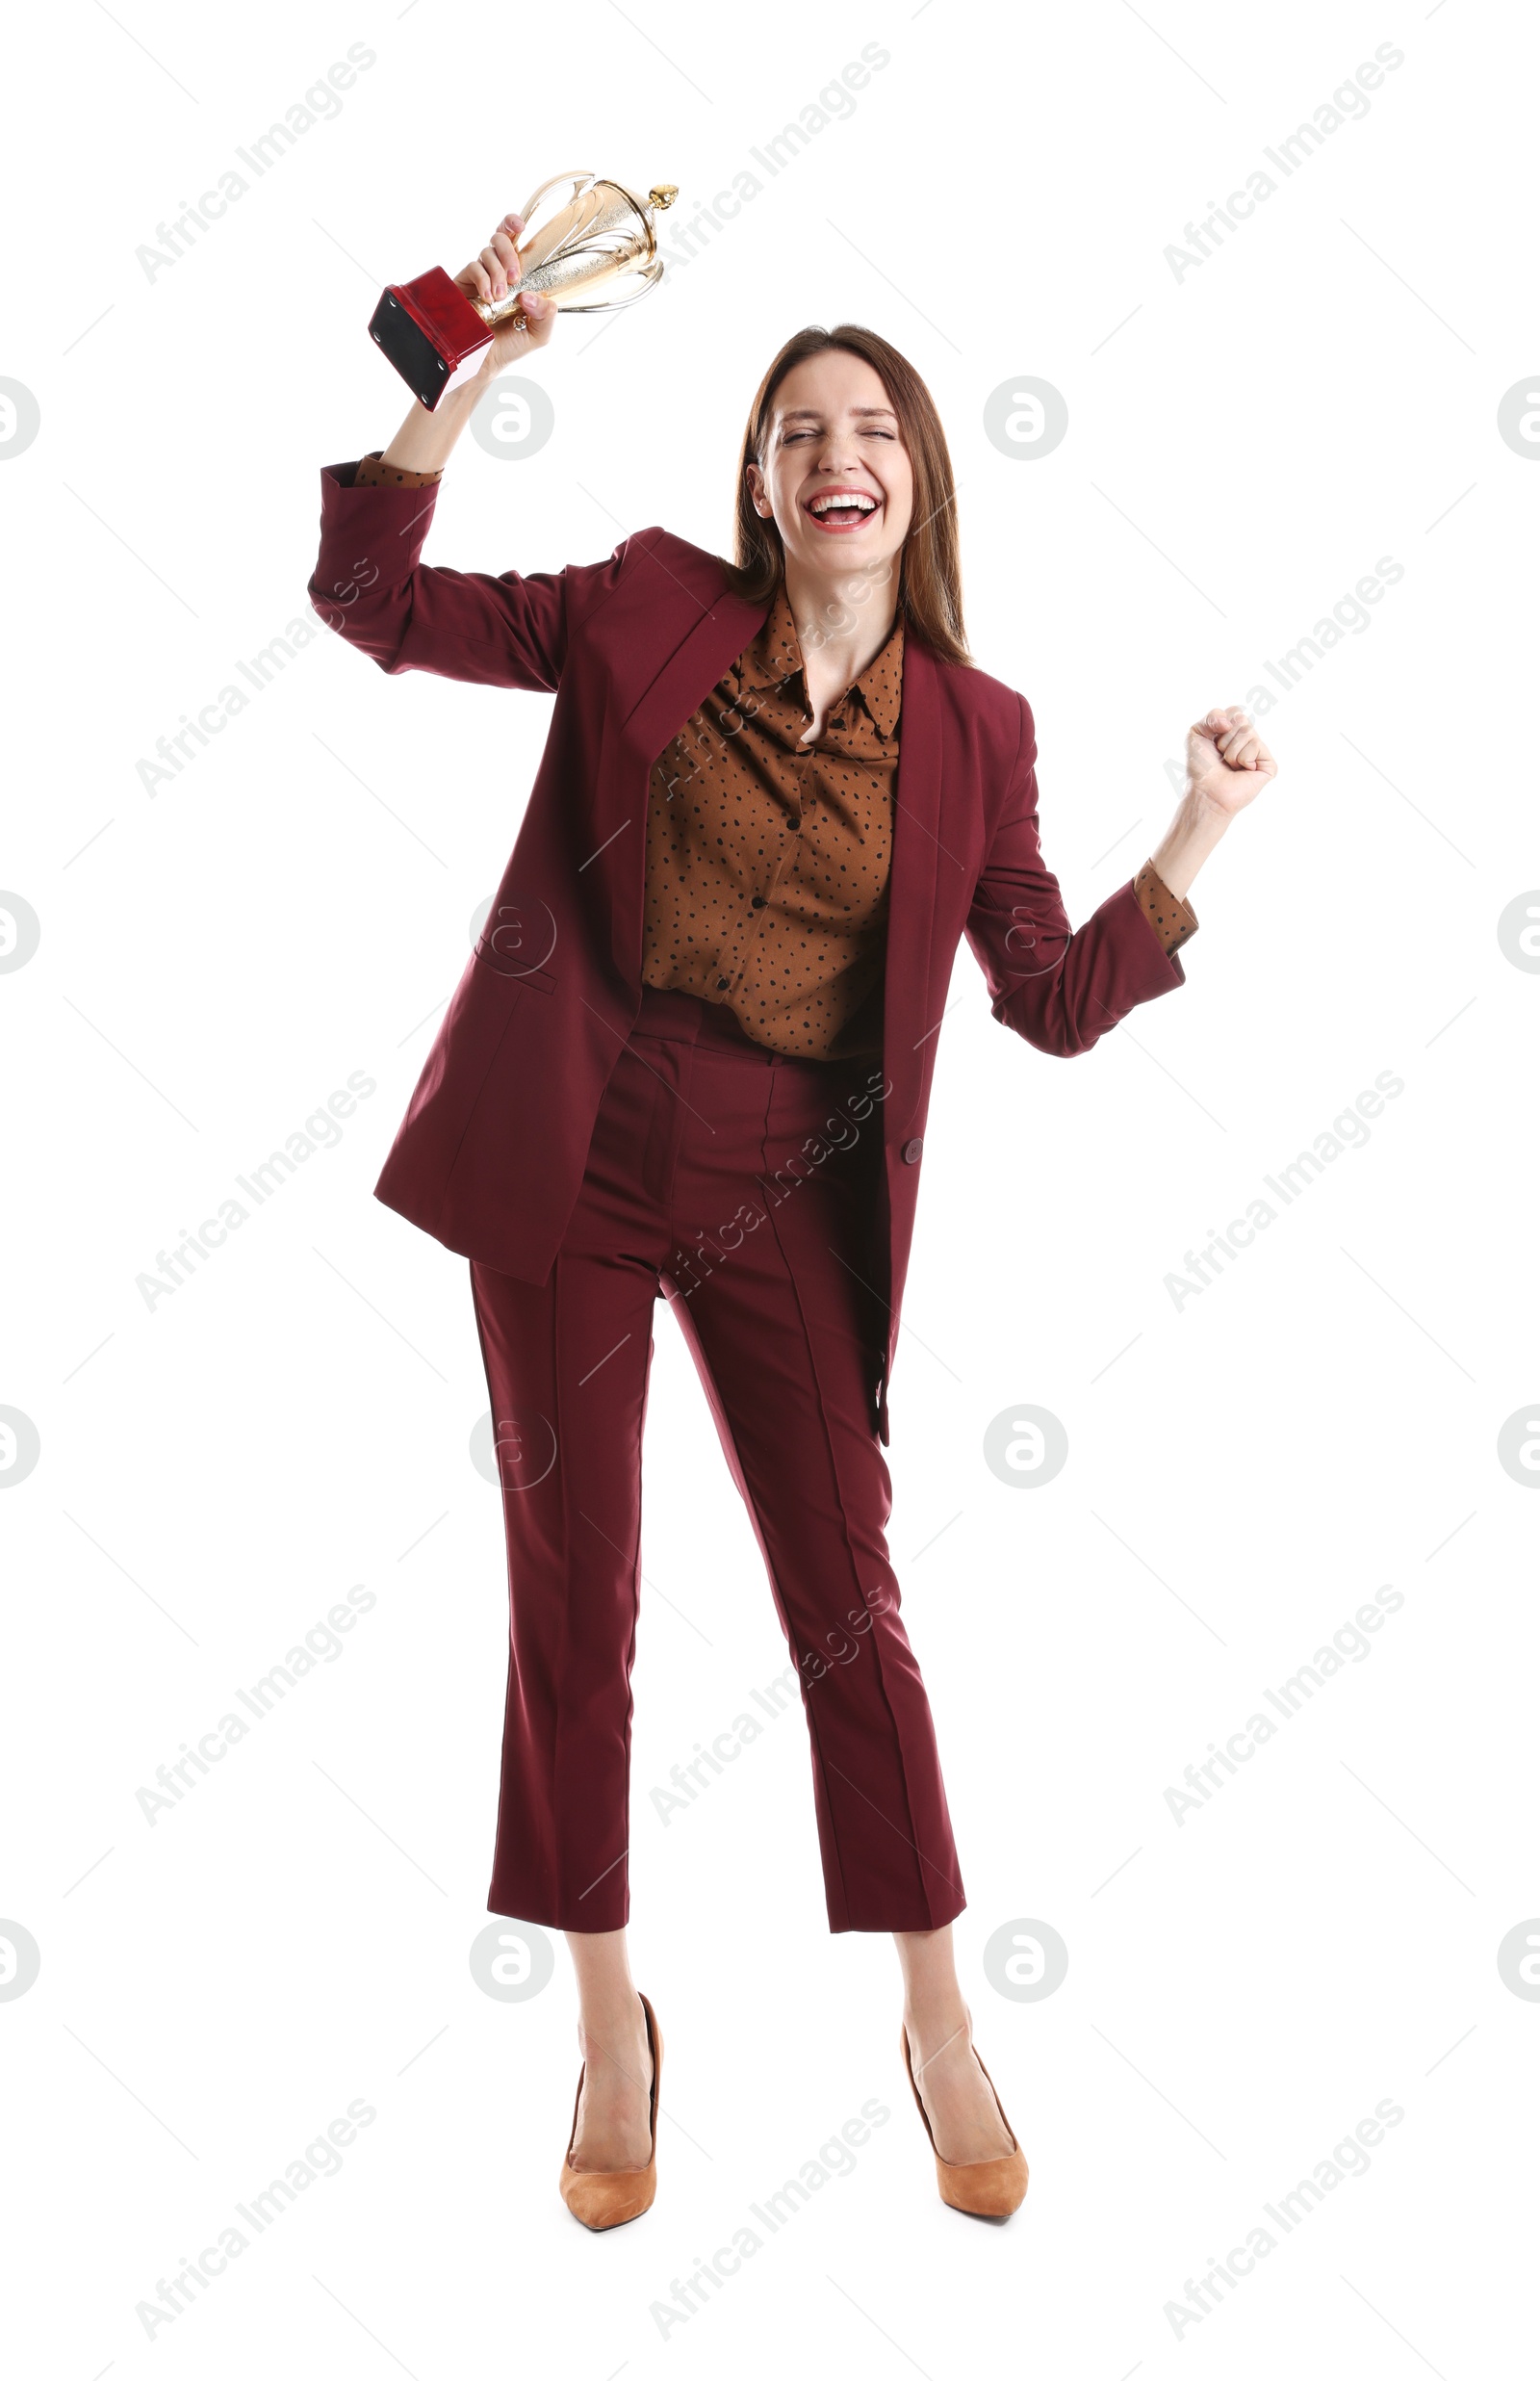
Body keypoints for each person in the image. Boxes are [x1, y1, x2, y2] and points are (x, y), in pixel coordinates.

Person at [308, 204, 1277, 2231]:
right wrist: (440, 412)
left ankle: (935, 2017)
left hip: (778, 1180)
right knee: (576, 1606)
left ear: (911, 475)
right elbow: (374, 605)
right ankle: (604, 2033)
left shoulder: (978, 727)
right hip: (568, 1142)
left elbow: (1047, 1003)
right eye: (792, 427)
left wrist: (1190, 831)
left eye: (870, 426)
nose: (831, 450)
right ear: (757, 481)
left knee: (854, 1610)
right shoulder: (646, 606)